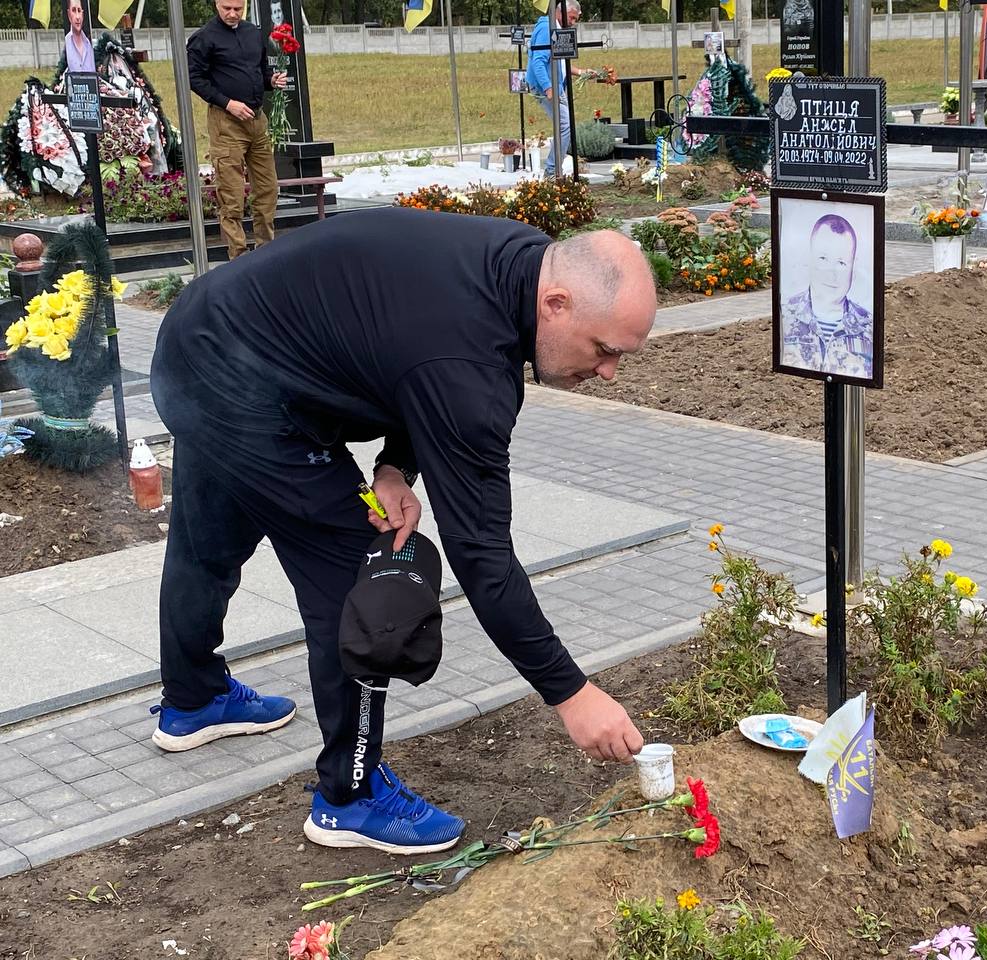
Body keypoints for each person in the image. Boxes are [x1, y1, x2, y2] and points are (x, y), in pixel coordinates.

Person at [148, 208, 657, 855]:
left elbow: (407, 346)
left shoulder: (520, 263)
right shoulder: (471, 367)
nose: (609, 372)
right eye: (604, 350)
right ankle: (349, 797)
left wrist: (394, 466)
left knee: (207, 536)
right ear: (556, 304)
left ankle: (192, 699)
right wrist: (571, 692)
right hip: (245, 382)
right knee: (358, 582)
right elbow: (483, 558)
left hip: (203, 336)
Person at [187, 0, 288, 260]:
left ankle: (266, 252)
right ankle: (238, 257)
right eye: (226, 8)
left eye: (237, 9)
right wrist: (228, 104)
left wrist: (271, 80)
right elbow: (195, 79)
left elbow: (260, 70)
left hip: (257, 119)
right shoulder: (204, 38)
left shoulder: (253, 33)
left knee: (267, 188)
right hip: (226, 122)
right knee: (231, 196)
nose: (232, 14)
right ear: (216, 5)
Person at [780, 214, 873, 380]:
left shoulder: (869, 326)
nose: (832, 273)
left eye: (841, 262)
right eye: (823, 258)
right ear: (809, 259)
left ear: (853, 267)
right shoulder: (784, 316)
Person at [527, 0, 584, 178]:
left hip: (555, 86)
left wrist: (581, 72)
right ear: (561, 13)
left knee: (564, 125)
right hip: (548, 87)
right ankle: (552, 171)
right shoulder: (547, 29)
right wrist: (548, 88)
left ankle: (553, 169)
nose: (573, 23)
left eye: (575, 19)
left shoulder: (556, 28)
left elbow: (558, 62)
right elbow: (538, 62)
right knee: (564, 125)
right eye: (572, 18)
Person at [64, 0, 94, 74]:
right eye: (74, 10)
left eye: (79, 11)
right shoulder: (66, 42)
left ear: (82, 14)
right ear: (68, 14)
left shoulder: (89, 44)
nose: (77, 17)